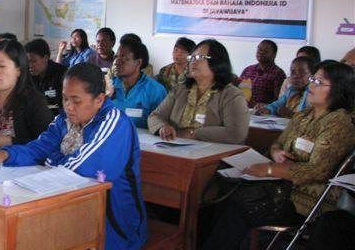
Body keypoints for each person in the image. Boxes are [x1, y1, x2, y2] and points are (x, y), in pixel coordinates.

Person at [0, 63, 148, 249]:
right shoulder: (64, 119)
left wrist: (51, 158)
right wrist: (7, 154)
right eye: (65, 98)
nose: (68, 107)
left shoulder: (115, 123)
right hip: (71, 211)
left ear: (99, 99)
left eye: (76, 101)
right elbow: (41, 146)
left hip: (113, 225)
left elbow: (82, 169)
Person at [203, 60, 355, 250]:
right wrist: (276, 153)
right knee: (222, 194)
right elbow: (278, 143)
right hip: (278, 186)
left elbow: (317, 171)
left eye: (318, 81)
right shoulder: (304, 115)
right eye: (312, 79)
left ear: (339, 88)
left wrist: (268, 169)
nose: (310, 85)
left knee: (237, 206)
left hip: (303, 201)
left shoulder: (340, 123)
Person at [148, 39, 249, 144]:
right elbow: (155, 116)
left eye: (200, 57)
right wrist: (163, 127)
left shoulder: (231, 95)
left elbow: (236, 133)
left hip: (214, 155)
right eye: (191, 58)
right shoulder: (180, 90)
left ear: (217, 62)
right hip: (176, 149)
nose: (193, 62)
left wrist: (193, 134)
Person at [111, 35, 167, 128]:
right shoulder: (109, 86)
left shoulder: (156, 91)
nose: (117, 62)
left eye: (124, 58)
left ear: (138, 62)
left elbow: (161, 123)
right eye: (116, 57)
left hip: (143, 141)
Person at [239, 39, 287, 107]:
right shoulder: (248, 70)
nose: (261, 52)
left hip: (265, 112)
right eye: (259, 50)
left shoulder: (278, 74)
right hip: (244, 108)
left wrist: (259, 105)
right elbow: (241, 92)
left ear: (274, 54)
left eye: (266, 51)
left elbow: (279, 101)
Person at [24, 38, 66, 111]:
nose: (30, 66)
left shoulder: (62, 74)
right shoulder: (27, 76)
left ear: (46, 58)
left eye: (33, 61)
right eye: (27, 62)